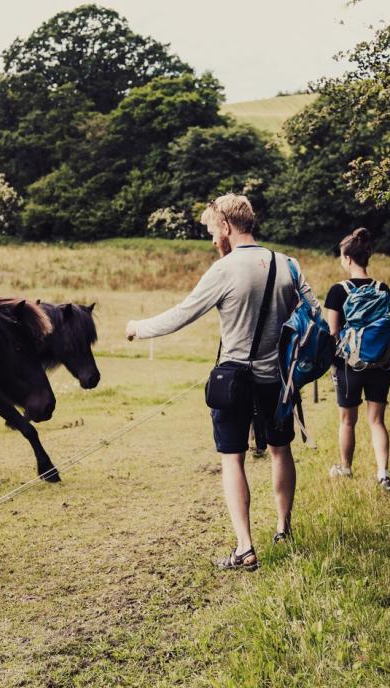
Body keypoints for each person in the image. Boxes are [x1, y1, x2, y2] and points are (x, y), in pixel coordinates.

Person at [125, 194, 321, 571]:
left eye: (213, 230)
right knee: (281, 449)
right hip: (278, 379)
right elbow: (313, 313)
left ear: (227, 226)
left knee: (233, 458)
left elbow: (183, 313)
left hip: (234, 377)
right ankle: (283, 528)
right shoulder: (288, 264)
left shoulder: (225, 269)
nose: (212, 238)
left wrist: (139, 328)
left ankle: (245, 547)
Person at [323, 228, 390, 492]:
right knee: (377, 420)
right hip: (380, 363)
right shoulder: (383, 288)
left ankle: (346, 468)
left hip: (349, 365)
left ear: (348, 258)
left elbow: (332, 332)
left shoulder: (337, 291)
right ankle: (383, 473)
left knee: (347, 420)